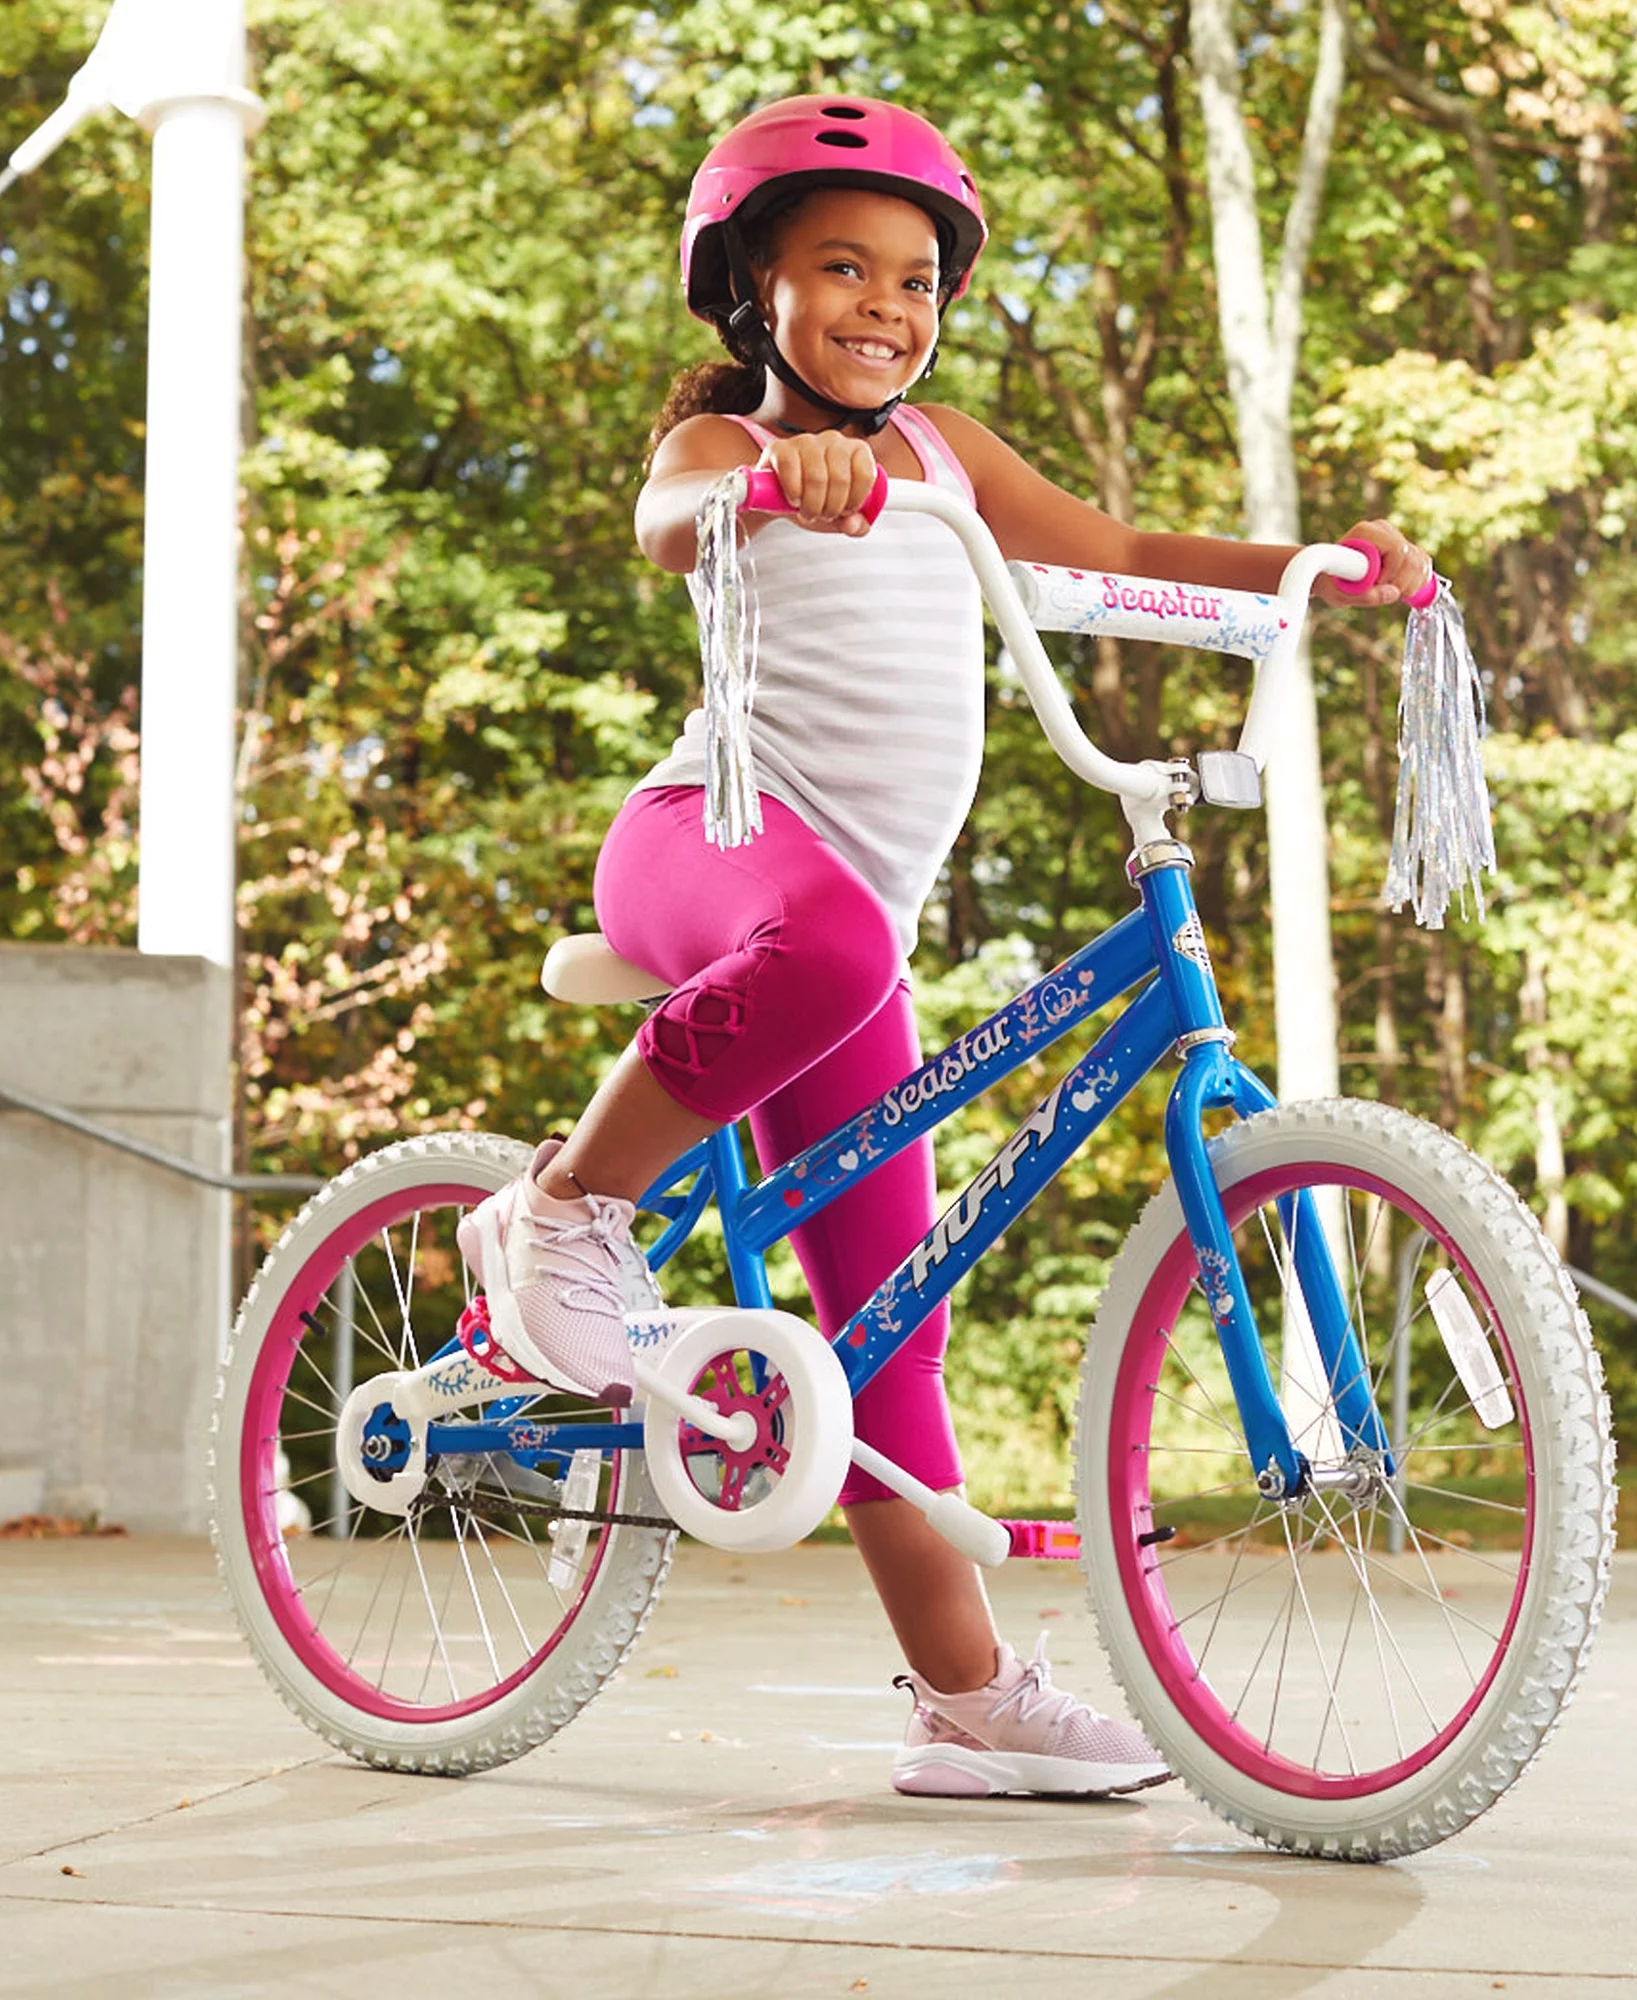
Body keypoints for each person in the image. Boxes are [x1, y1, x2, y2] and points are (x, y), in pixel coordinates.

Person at [457, 94, 1433, 1801]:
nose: (885, 306)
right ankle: (557, 1211)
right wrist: (772, 479)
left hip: (841, 943)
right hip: (701, 850)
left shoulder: (945, 454)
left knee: (886, 1335)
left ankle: (969, 1702)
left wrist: (1316, 567)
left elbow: (1117, 553)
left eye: (914, 280)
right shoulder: (726, 449)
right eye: (842, 268)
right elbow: (669, 523)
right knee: (838, 948)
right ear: (753, 288)